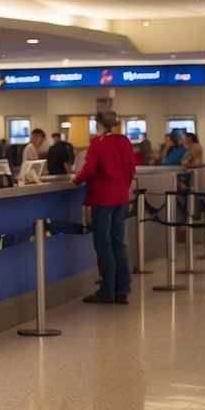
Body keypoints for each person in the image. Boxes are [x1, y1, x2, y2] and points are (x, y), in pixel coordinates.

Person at [71, 111, 135, 305]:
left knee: (103, 244)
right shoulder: (124, 141)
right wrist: (123, 187)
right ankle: (122, 290)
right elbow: (131, 169)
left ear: (97, 123)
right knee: (118, 242)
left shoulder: (98, 142)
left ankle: (107, 290)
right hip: (121, 198)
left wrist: (76, 180)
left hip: (102, 199)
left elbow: (89, 169)